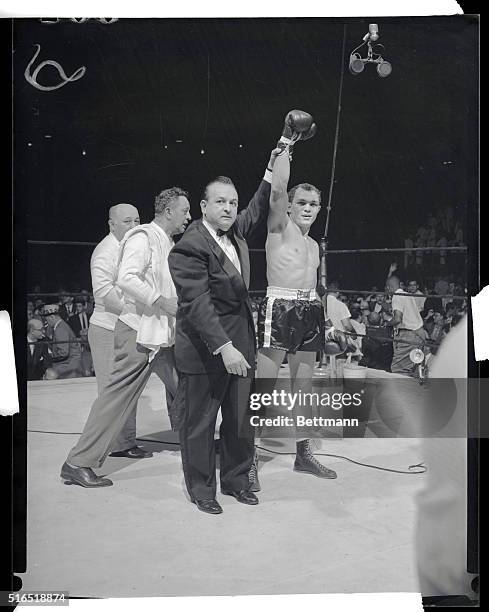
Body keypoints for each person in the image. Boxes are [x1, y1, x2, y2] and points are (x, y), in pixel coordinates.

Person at [168, 144, 280, 515]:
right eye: (220, 202)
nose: (229, 209)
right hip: (206, 348)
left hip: (241, 343)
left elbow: (257, 207)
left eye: (232, 202)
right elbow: (197, 305)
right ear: (204, 207)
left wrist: (271, 166)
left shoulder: (236, 233)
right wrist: (225, 347)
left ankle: (236, 481)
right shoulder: (190, 245)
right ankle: (202, 490)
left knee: (238, 419)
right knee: (200, 424)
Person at [60, 188, 190, 487]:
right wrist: (161, 301)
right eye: (185, 210)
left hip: (157, 333)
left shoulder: (163, 240)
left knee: (186, 386)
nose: (188, 217)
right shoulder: (142, 238)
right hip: (137, 332)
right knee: (116, 398)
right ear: (169, 211)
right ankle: (77, 462)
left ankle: (199, 445)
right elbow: (125, 279)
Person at [256, 111, 337, 485]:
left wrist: (324, 314)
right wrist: (287, 143)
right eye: (302, 201)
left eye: (313, 204)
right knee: (264, 389)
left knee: (303, 388)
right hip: (280, 306)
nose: (307, 207)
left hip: (309, 310)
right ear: (290, 206)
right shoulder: (280, 227)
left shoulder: (312, 246)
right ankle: (248, 460)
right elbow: (276, 188)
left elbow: (315, 285)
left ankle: (304, 455)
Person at [87, 203, 141, 454]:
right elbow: (104, 293)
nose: (134, 227)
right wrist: (139, 315)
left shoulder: (132, 248)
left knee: (128, 388)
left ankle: (125, 443)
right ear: (112, 225)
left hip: (127, 328)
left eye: (137, 221)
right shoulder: (104, 251)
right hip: (107, 330)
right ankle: (94, 451)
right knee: (110, 394)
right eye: (127, 221)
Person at [385, 275, 427, 376]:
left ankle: (400, 391)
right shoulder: (408, 295)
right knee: (414, 369)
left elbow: (398, 318)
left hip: (409, 335)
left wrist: (387, 324)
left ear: (389, 288)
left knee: (398, 370)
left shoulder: (397, 296)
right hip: (419, 333)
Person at [42, 304, 83, 379]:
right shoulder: (62, 325)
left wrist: (48, 358)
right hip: (71, 367)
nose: (46, 322)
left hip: (67, 369)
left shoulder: (60, 329)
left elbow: (63, 353)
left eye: (46, 320)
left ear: (52, 317)